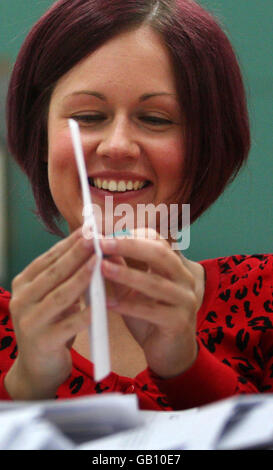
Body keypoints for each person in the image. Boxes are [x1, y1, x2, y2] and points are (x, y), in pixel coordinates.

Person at [0, 0, 272, 410]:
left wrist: (188, 366)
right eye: (89, 115)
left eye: (157, 119)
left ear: (206, 146)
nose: (118, 147)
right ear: (40, 138)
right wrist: (23, 386)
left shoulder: (262, 299)